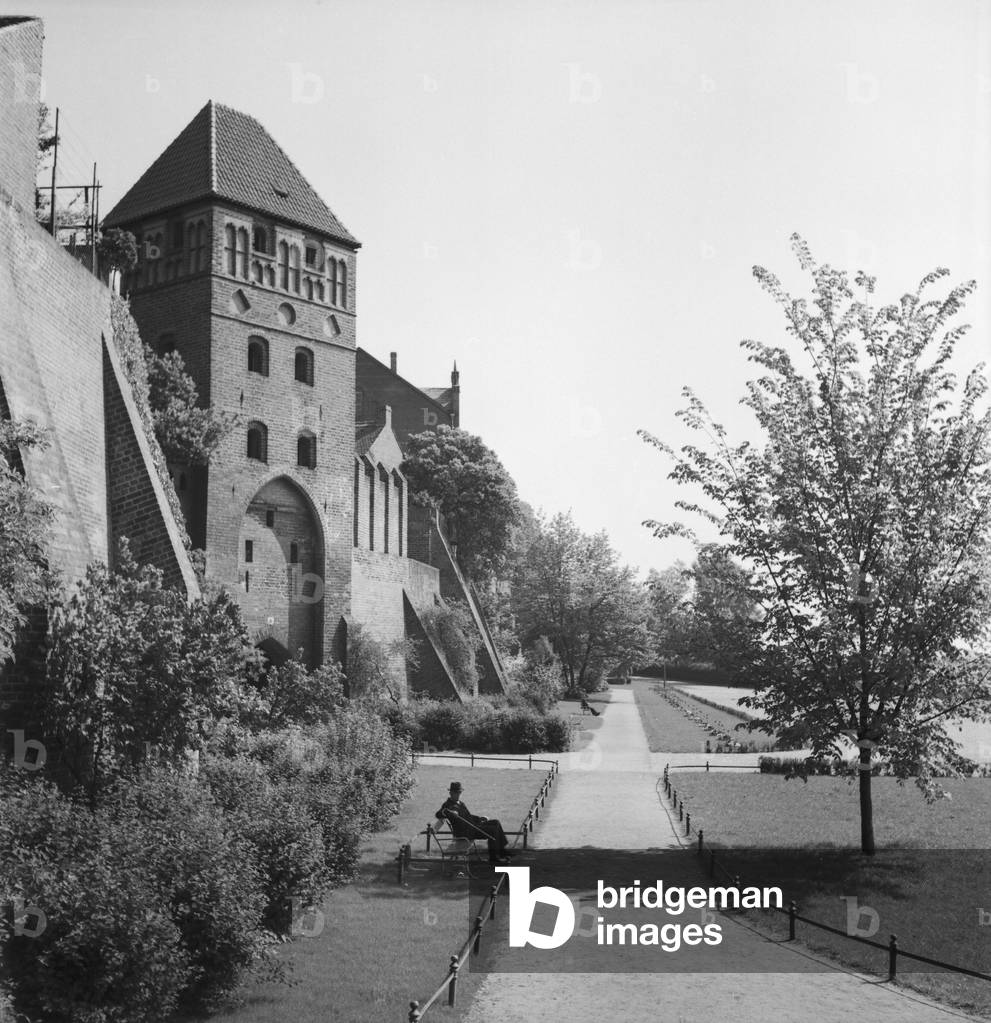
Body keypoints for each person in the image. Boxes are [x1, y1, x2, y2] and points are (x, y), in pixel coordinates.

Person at [436, 781, 514, 864]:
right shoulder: (448, 805)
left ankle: (502, 850)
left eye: (459, 792)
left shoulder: (461, 803)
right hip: (466, 833)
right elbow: (439, 814)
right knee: (493, 830)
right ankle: (493, 857)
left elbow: (468, 816)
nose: (458, 794)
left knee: (496, 822)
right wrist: (450, 812)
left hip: (472, 827)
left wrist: (479, 818)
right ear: (450, 793)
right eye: (456, 792)